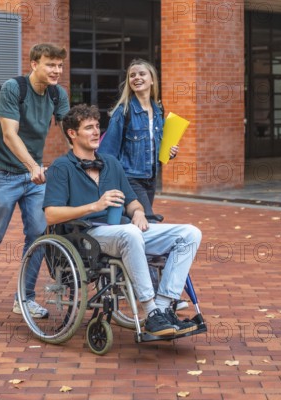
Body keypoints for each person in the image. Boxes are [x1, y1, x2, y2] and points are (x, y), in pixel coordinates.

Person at [43, 104, 201, 336]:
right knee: (130, 233)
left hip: (124, 231)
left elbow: (133, 202)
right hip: (86, 236)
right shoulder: (61, 167)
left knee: (189, 233)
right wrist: (95, 206)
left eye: (97, 126)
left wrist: (137, 212)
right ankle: (150, 310)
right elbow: (51, 214)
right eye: (88, 128)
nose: (96, 132)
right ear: (72, 134)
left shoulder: (111, 163)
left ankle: (164, 308)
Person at [0, 43, 70, 317]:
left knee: (39, 233)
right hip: (3, 174)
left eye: (59, 65)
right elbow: (10, 134)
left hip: (33, 177)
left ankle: (24, 296)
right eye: (50, 64)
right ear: (34, 64)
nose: (56, 70)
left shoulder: (58, 94)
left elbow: (72, 132)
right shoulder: (14, 88)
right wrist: (33, 166)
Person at [99, 59, 187, 310]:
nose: (137, 78)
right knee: (148, 229)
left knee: (143, 232)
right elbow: (107, 153)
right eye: (132, 75)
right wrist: (112, 185)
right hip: (129, 178)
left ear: (151, 79)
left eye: (142, 74)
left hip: (149, 179)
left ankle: (146, 286)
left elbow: (156, 149)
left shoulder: (158, 110)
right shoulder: (123, 111)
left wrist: (169, 151)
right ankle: (160, 295)